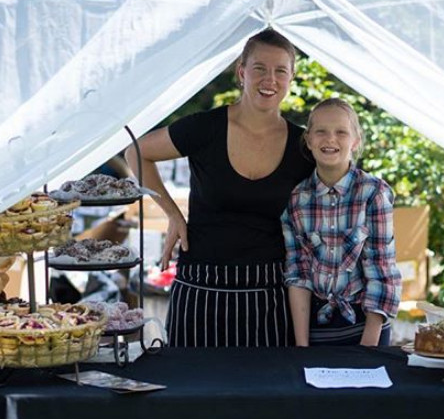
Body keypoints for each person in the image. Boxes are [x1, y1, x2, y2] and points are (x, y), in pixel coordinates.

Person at [125, 29, 315, 347]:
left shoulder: (303, 145)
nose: (270, 80)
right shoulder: (205, 128)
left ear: (291, 78)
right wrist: (172, 214)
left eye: (280, 70)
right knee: (192, 394)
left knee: (265, 394)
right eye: (259, 68)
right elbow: (136, 151)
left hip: (268, 296)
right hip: (200, 288)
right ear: (241, 72)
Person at [281, 98, 402, 346]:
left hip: (367, 326)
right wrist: (302, 346)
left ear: (355, 141)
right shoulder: (297, 199)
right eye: (321, 131)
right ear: (309, 140)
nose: (330, 139)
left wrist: (367, 348)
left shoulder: (373, 193)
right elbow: (298, 274)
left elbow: (381, 271)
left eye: (341, 132)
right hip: (316, 326)